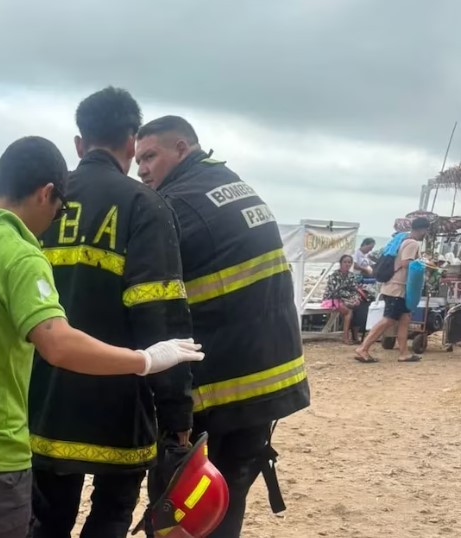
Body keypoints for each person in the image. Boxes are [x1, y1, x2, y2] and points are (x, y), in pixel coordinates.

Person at [0, 136, 204, 538]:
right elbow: (58, 344)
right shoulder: (20, 253)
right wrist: (147, 360)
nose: (56, 219)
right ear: (46, 194)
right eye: (59, 208)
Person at [30, 88, 196, 538]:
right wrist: (177, 416)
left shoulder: (41, 200)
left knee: (45, 522)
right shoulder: (144, 205)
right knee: (111, 516)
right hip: (120, 406)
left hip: (41, 403)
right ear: (130, 144)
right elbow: (160, 317)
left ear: (79, 144)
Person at [135, 115, 310, 537]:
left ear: (182, 148)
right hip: (266, 381)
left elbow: (151, 297)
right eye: (137, 159)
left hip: (226, 389)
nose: (141, 169)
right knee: (222, 500)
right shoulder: (228, 185)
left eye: (150, 156)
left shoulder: (178, 204)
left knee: (184, 506)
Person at [354, 218, 429, 363]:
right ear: (422, 229)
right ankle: (363, 348)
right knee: (388, 319)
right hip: (397, 287)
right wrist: (422, 263)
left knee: (405, 319)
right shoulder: (412, 243)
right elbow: (405, 263)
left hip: (393, 286)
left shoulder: (402, 239)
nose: (425, 233)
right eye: (425, 230)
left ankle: (404, 353)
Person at [320, 255, 362, 344]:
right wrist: (348, 299)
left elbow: (354, 289)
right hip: (332, 299)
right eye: (345, 262)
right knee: (348, 312)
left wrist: (355, 298)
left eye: (349, 262)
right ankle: (345, 337)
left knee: (359, 307)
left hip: (345, 299)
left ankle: (355, 334)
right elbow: (335, 291)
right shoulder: (334, 275)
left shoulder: (351, 275)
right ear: (341, 263)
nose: (347, 264)